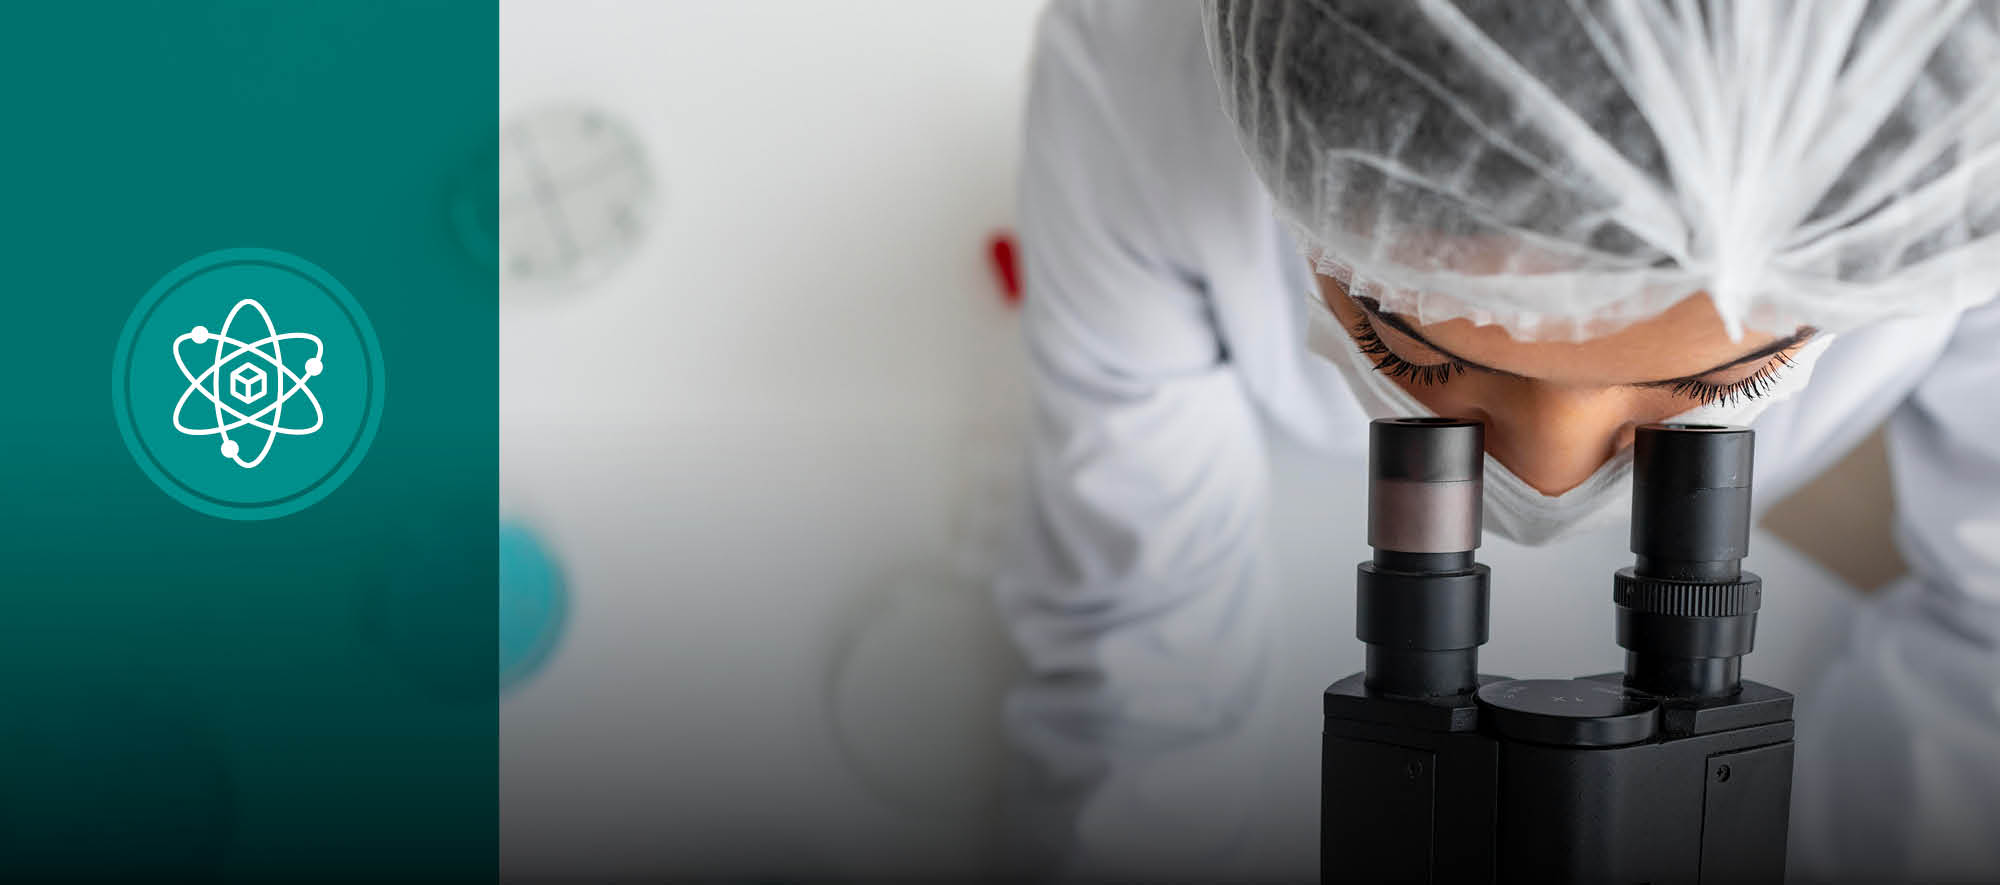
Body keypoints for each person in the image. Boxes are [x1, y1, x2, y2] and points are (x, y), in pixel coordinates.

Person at [996, 1, 2000, 880]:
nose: (1549, 474)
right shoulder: (1136, 82)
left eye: (1717, 380)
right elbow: (1135, 626)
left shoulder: (1961, 152)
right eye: (1414, 354)